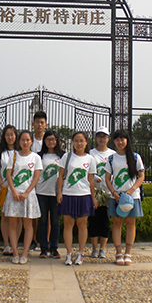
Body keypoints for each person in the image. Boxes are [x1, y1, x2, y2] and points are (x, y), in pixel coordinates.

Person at [105, 129, 145, 266]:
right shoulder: (111, 158)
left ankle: (128, 252)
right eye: (117, 140)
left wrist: (131, 190)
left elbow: (141, 176)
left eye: (122, 139)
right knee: (116, 223)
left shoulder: (135, 157)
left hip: (132, 196)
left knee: (130, 223)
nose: (120, 142)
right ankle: (118, 252)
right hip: (116, 196)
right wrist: (114, 193)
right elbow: (107, 178)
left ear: (127, 140)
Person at [57, 131, 97, 266]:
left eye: (81, 141)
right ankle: (68, 253)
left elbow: (91, 179)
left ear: (86, 143)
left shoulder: (90, 159)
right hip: (68, 194)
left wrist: (93, 197)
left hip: (84, 195)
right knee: (68, 224)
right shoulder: (67, 157)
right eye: (76, 140)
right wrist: (59, 193)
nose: (79, 143)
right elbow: (60, 176)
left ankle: (80, 253)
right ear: (72, 142)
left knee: (82, 225)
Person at [2, 130, 42, 264]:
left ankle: (24, 253)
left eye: (28, 140)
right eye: (23, 140)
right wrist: (13, 191)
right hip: (13, 194)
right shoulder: (14, 156)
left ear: (32, 142)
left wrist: (26, 192)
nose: (25, 142)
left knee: (28, 225)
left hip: (28, 195)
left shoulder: (36, 157)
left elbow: (36, 177)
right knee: (13, 224)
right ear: (19, 142)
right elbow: (8, 175)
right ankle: (15, 253)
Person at [36, 129, 64, 259]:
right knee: (42, 221)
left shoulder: (62, 156)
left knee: (55, 221)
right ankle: (43, 248)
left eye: (53, 139)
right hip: (41, 192)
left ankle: (54, 248)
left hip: (56, 193)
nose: (51, 142)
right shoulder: (39, 156)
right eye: (48, 139)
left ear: (57, 141)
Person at [88, 126, 115, 259]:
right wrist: (93, 178)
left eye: (104, 137)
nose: (101, 139)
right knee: (93, 220)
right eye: (99, 136)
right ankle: (94, 248)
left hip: (108, 191)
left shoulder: (113, 154)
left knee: (105, 221)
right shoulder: (90, 153)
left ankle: (103, 248)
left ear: (108, 138)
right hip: (93, 191)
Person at [0, 124, 19, 255]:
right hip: (4, 189)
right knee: (5, 216)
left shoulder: (20, 152)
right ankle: (6, 244)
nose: (10, 137)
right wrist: (1, 184)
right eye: (7, 135)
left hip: (18, 189)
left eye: (12, 135)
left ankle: (15, 244)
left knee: (17, 217)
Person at [30, 110, 47, 251]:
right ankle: (32, 240)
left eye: (42, 122)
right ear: (32, 123)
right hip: (30, 181)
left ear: (46, 124)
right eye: (37, 122)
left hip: (46, 182)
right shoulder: (29, 140)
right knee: (32, 214)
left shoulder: (49, 140)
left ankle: (45, 241)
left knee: (46, 215)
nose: (39, 125)